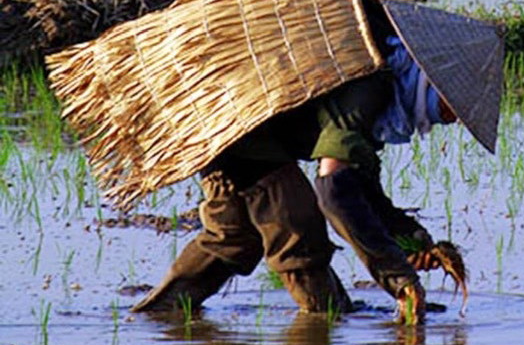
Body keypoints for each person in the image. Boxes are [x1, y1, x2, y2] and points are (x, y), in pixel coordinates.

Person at [132, 32, 460, 324]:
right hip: (240, 134)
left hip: (237, 137)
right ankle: (320, 328)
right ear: (432, 81)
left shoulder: (385, 92)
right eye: (453, 103)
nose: (456, 118)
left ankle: (155, 317)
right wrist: (399, 278)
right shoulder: (372, 86)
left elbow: (362, 188)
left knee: (233, 239)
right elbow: (334, 191)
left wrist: (413, 239)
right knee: (299, 230)